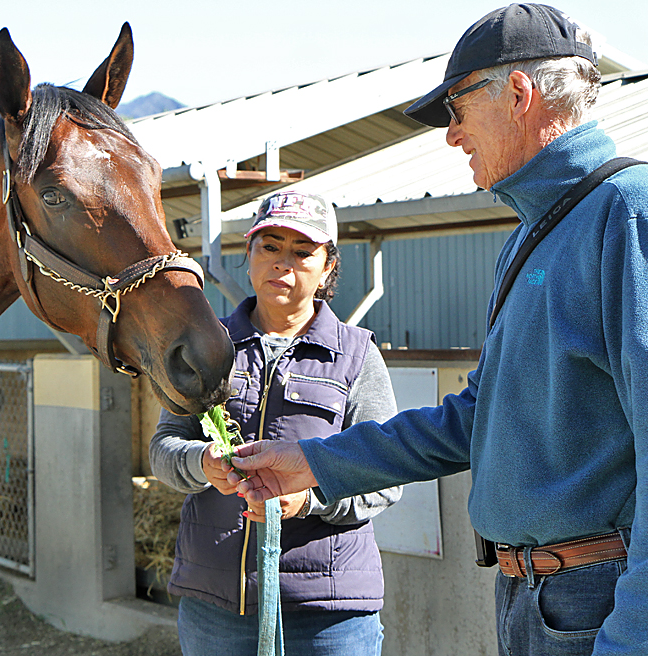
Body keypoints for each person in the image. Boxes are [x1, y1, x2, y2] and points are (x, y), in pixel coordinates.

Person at [229, 5, 648, 656]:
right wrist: (313, 463)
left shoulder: (626, 213)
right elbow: (473, 419)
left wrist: (630, 637)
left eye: (455, 109)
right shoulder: (531, 236)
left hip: (598, 597)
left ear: (517, 93)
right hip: (530, 598)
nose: (450, 136)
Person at [150, 190, 402, 656]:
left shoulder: (357, 356)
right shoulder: (209, 346)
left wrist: (309, 499)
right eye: (269, 247)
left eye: (302, 252)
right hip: (218, 609)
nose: (282, 264)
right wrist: (200, 463)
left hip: (327, 614)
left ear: (328, 267)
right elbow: (163, 449)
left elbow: (384, 473)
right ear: (247, 255)